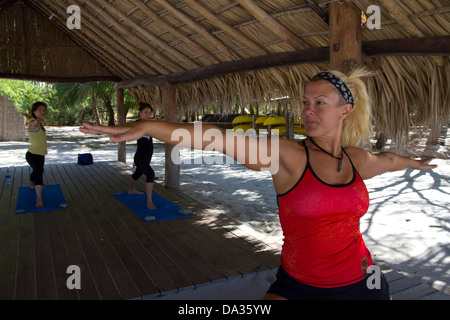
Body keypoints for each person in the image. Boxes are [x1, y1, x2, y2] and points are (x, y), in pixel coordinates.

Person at [80, 68, 437, 300]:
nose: (308, 110)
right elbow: (217, 138)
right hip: (300, 288)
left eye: (320, 103)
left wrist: (416, 163)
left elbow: (389, 161)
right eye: (305, 102)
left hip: (364, 282)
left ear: (345, 111)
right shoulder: (287, 155)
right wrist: (148, 127)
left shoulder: (356, 159)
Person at [129, 103, 157, 210]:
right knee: (150, 174)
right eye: (145, 113)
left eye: (149, 113)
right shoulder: (137, 124)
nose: (148, 115)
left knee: (138, 173)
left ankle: (131, 190)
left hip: (147, 157)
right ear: (140, 113)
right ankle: (149, 202)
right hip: (140, 157)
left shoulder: (149, 123)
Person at [22, 102, 48, 208]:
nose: (43, 112)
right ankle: (39, 199)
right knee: (39, 172)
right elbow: (33, 122)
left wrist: (26, 115)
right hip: (32, 154)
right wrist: (38, 120)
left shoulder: (32, 120)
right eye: (40, 110)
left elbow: (29, 118)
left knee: (38, 170)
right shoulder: (34, 123)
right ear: (34, 111)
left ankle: (32, 184)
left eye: (44, 110)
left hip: (40, 154)